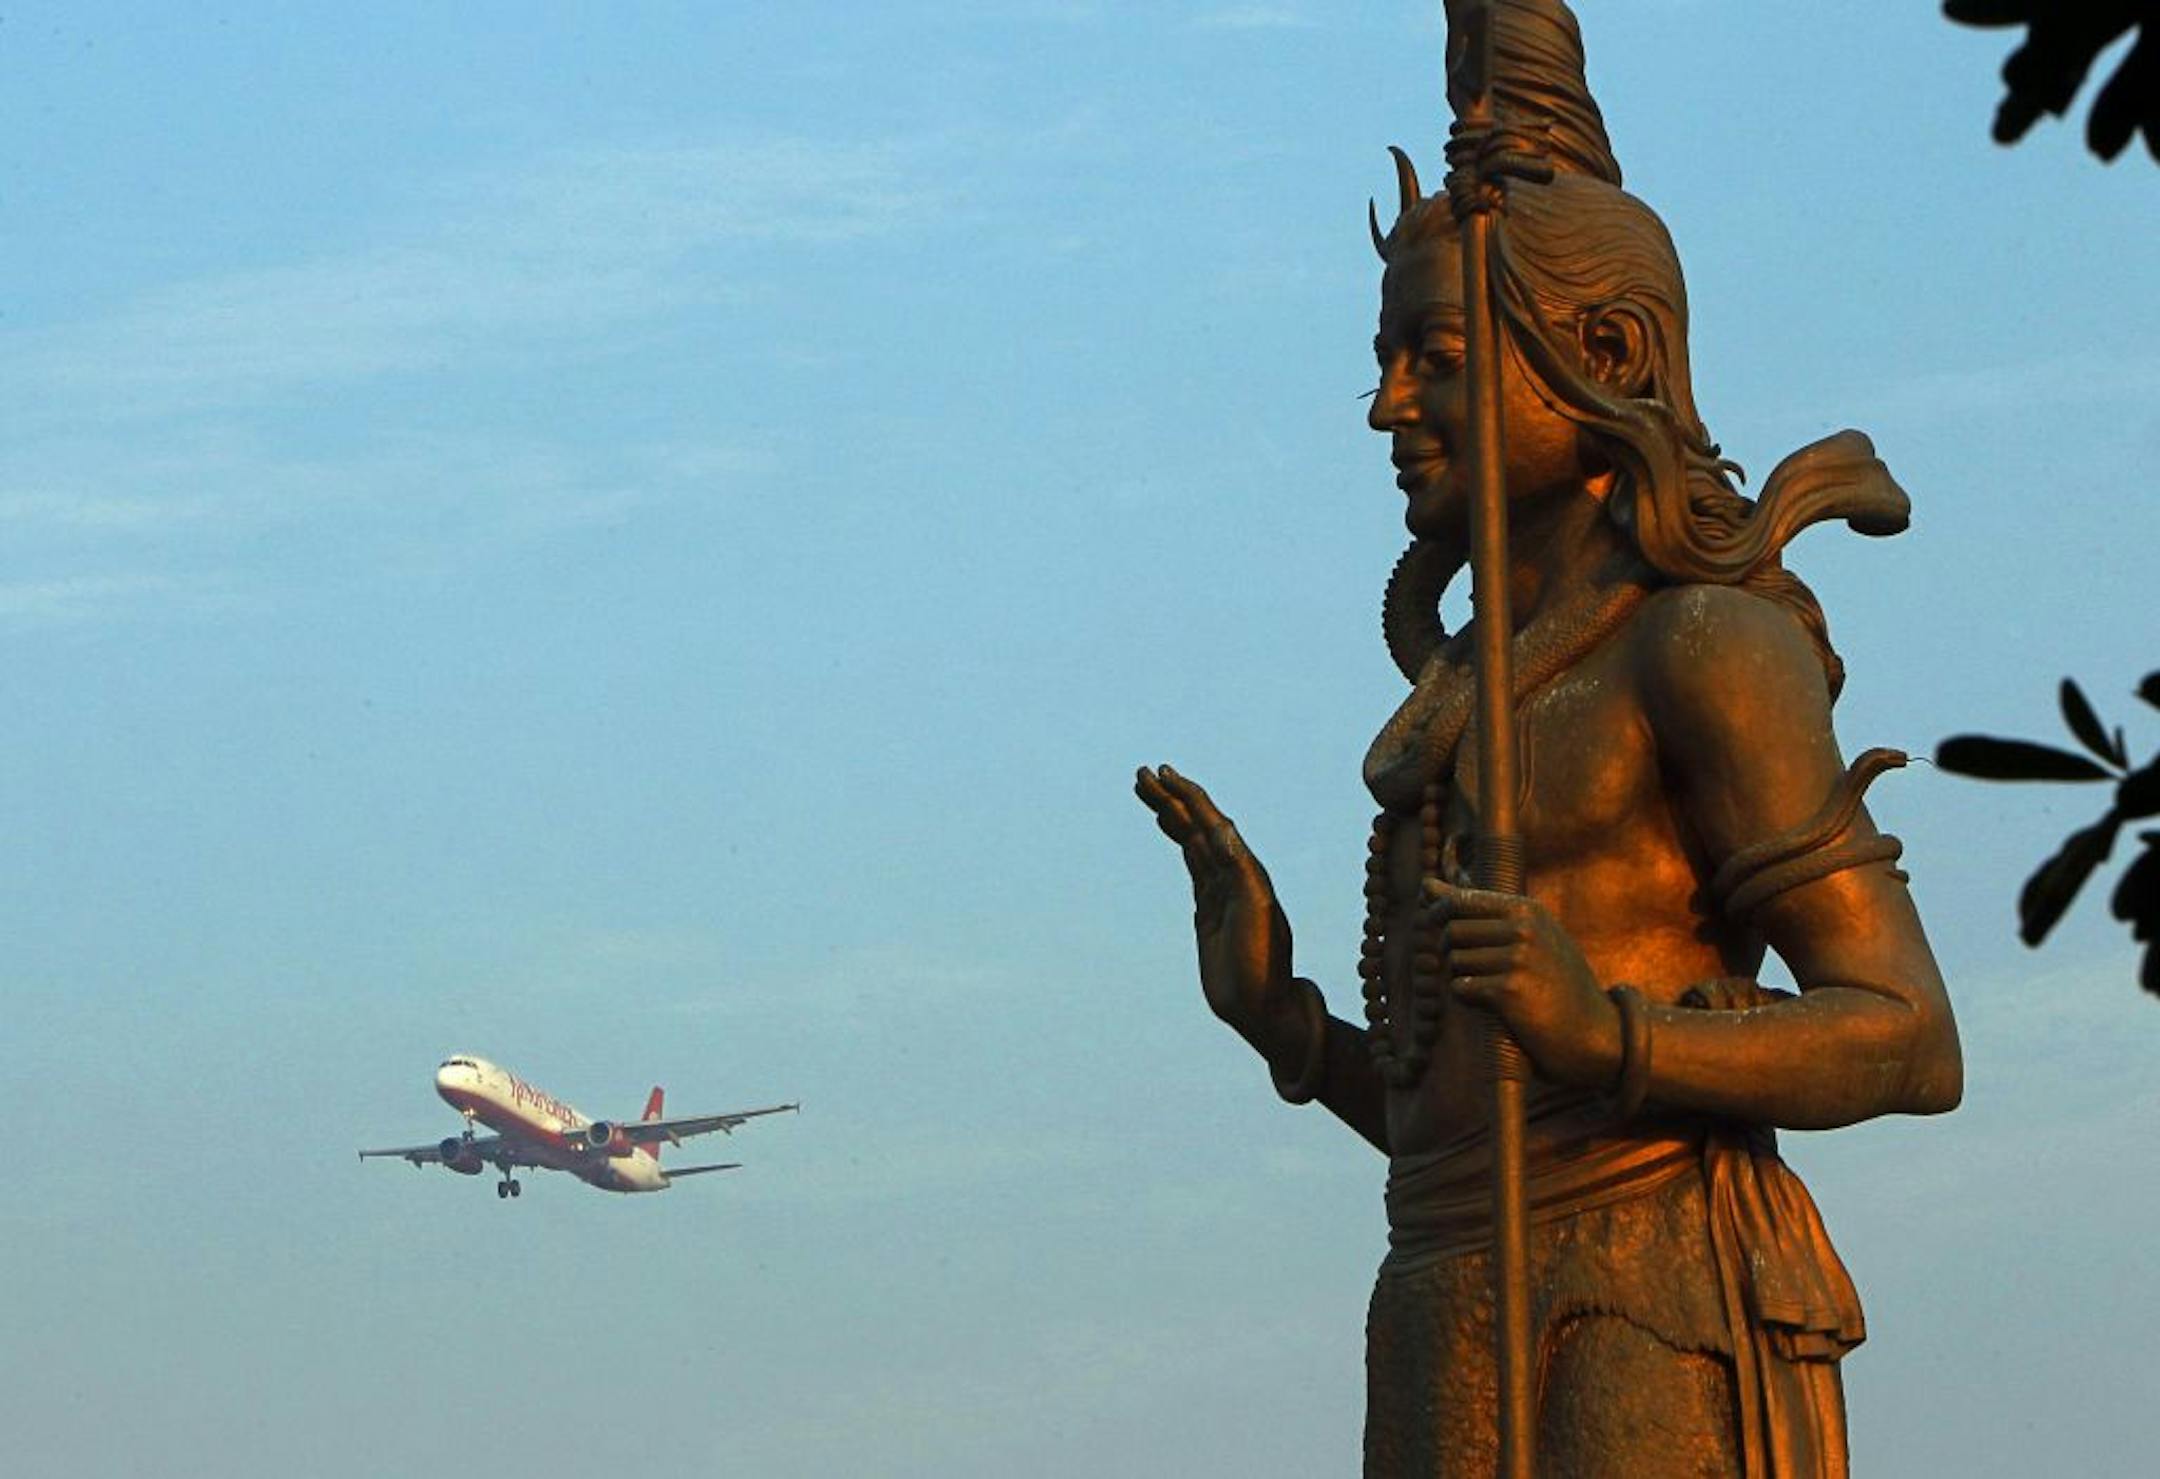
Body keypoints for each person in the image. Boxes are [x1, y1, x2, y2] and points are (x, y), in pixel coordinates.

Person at [1135, 3, 1961, 1474]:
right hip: (1446, 1296)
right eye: (1391, 360)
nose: (1390, 405)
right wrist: (1294, 1029)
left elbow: (1908, 1036)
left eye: (1435, 358)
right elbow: (1463, 1133)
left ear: (1602, 352)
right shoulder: (1465, 701)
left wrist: (1613, 1033)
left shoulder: (1698, 646)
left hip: (1659, 1297)